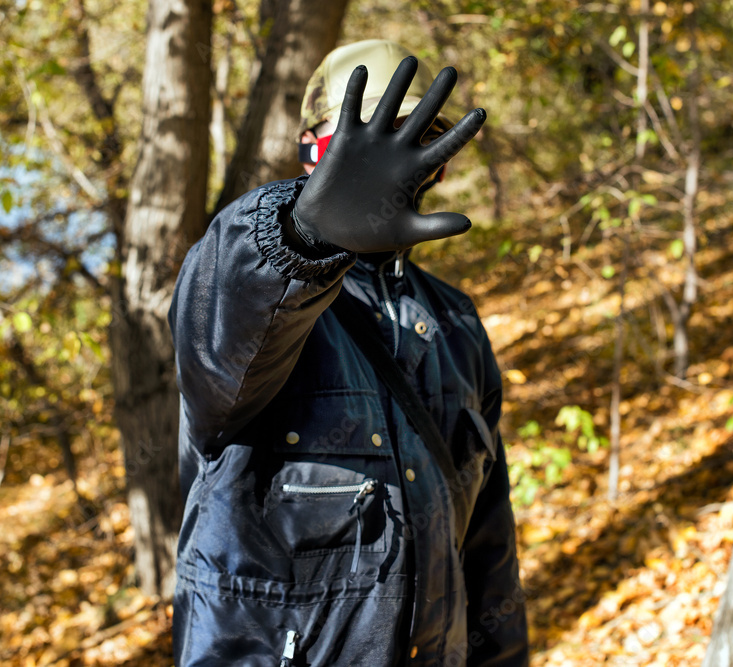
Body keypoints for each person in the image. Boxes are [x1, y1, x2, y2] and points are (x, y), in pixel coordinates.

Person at [168, 39, 529, 666]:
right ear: (314, 153)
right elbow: (219, 328)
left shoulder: (455, 322)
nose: (395, 167)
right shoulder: (259, 297)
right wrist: (305, 233)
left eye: (415, 142)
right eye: (360, 141)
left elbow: (489, 550)